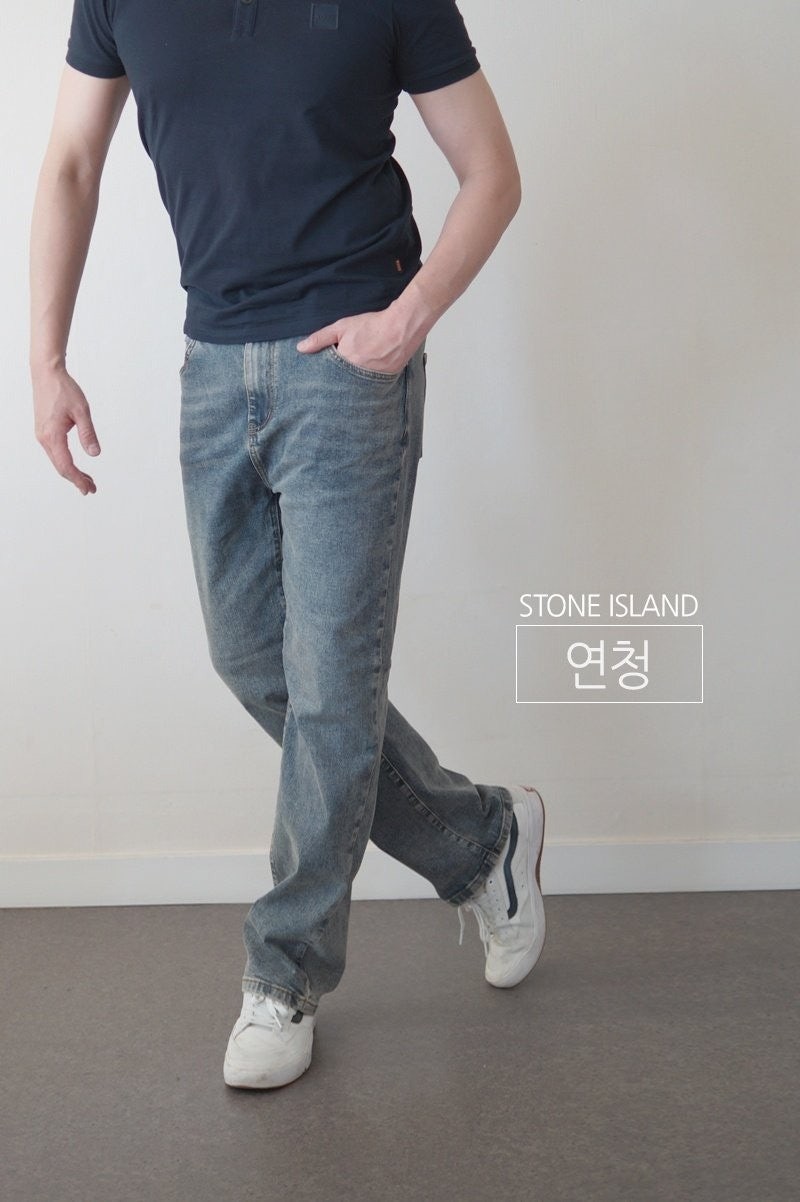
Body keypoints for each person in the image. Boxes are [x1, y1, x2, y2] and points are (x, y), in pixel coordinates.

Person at [29, 0, 547, 1090]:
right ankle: (480, 840)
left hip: (348, 368)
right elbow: (72, 160)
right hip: (211, 366)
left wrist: (407, 318)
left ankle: (285, 972)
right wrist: (46, 360)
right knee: (251, 659)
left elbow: (491, 173)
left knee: (330, 688)